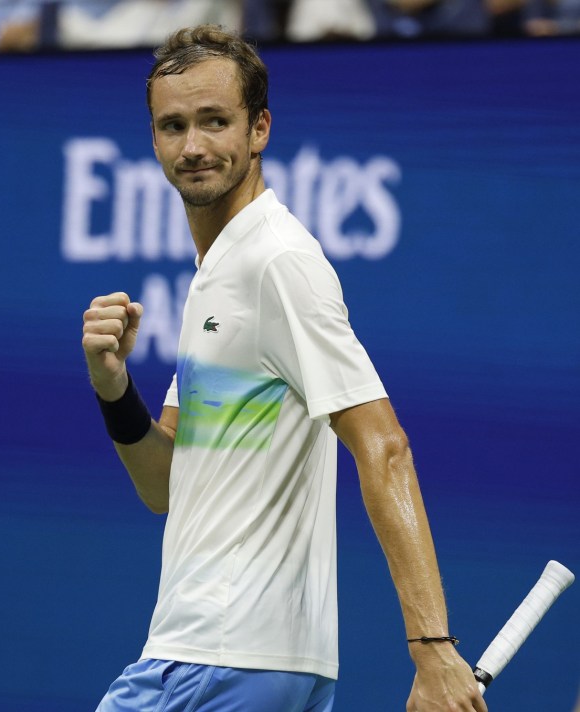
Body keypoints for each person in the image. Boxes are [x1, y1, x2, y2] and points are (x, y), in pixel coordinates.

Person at [81, 24, 487, 712]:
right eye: (173, 126)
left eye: (216, 122)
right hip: (249, 663)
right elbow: (165, 486)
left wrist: (433, 648)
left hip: (219, 657)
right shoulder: (222, 273)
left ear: (259, 128)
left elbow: (384, 446)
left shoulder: (276, 262)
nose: (194, 146)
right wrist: (114, 388)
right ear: (153, 141)